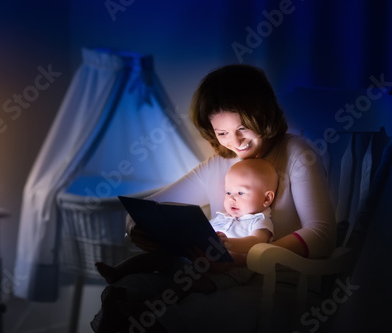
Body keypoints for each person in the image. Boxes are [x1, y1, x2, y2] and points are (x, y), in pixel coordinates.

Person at [91, 64, 336, 333]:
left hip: (278, 282)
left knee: (186, 314)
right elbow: (145, 208)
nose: (236, 142)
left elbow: (321, 233)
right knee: (130, 290)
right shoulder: (220, 163)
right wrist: (135, 228)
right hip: (208, 274)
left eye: (243, 127)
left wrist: (244, 258)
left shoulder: (297, 153)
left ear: (263, 114)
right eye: (222, 133)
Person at [95, 158, 278, 294]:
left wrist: (229, 245)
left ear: (267, 198)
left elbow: (257, 243)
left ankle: (158, 302)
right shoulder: (223, 217)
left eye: (240, 192)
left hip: (227, 272)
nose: (231, 198)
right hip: (196, 260)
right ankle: (118, 271)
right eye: (228, 192)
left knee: (190, 284)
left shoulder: (259, 221)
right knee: (159, 257)